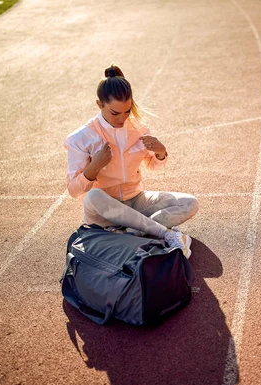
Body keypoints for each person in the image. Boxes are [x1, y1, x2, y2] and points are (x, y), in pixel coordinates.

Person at [63, 64, 198, 257]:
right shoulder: (81, 138)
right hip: (104, 211)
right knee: (93, 197)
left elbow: (153, 166)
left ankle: (128, 234)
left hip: (135, 201)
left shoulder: (138, 129)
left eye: (127, 111)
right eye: (115, 113)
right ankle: (163, 234)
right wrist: (94, 167)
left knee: (190, 203)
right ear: (99, 104)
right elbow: (74, 191)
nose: (122, 118)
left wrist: (161, 152)